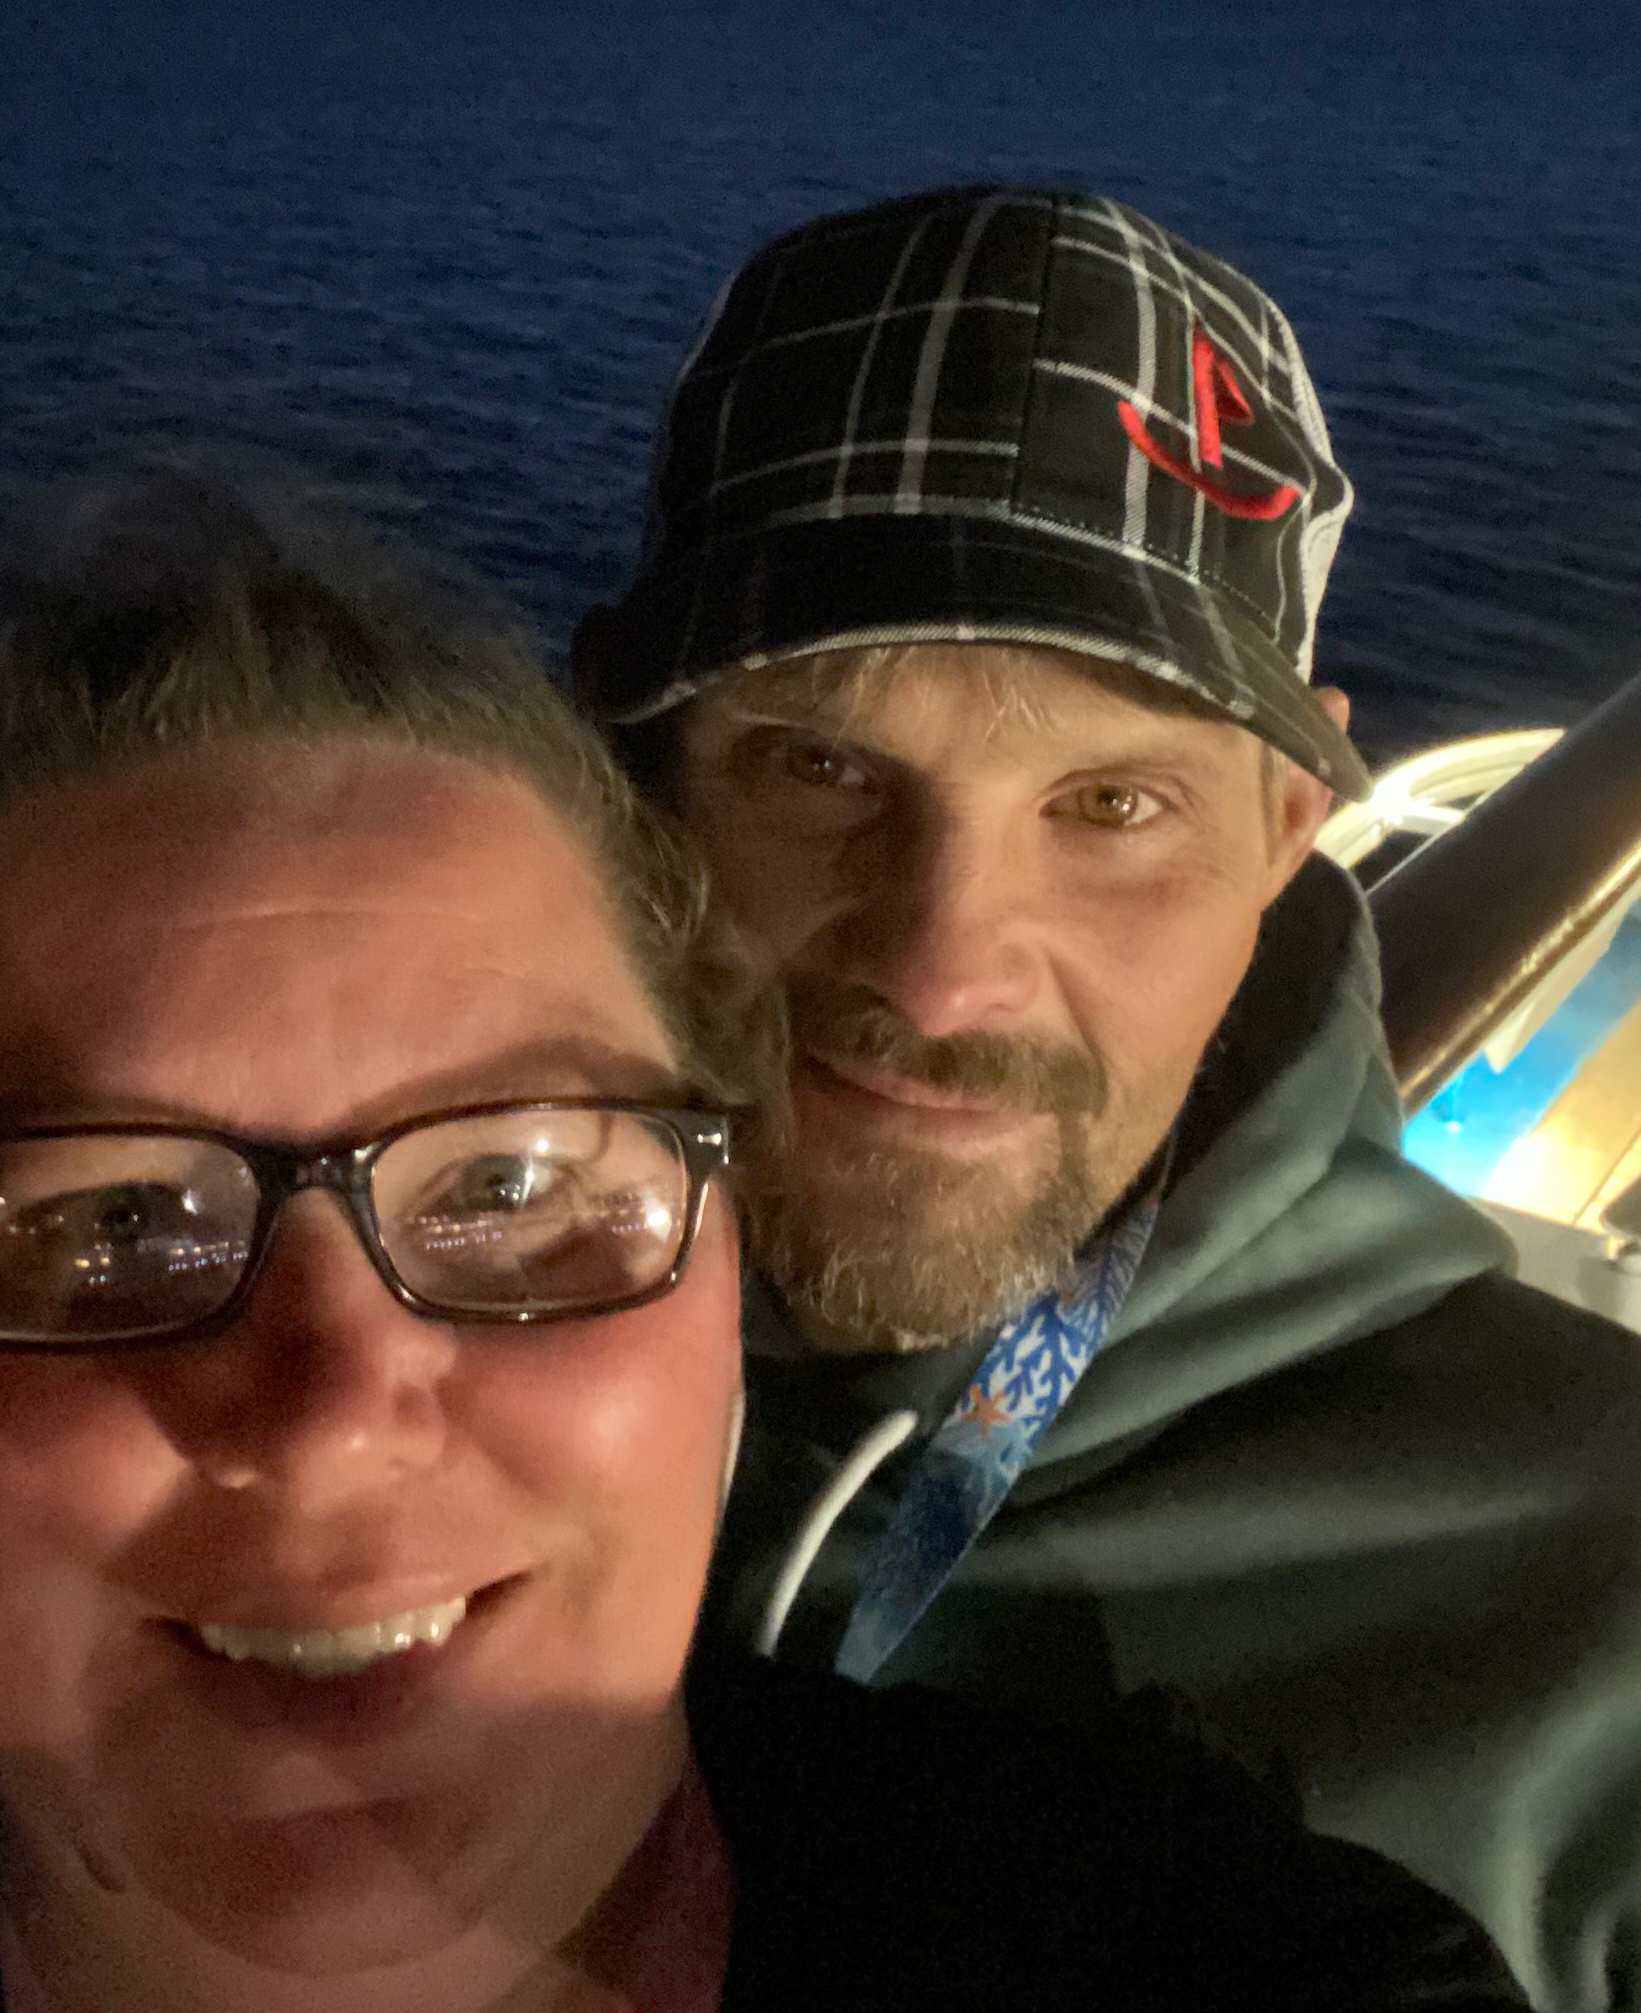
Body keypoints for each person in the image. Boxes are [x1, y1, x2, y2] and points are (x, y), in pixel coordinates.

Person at [0, 471, 1524, 2011]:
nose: (331, 1409)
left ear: (728, 1273)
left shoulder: (1197, 1953)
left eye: (510, 1186)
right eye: (115, 1217)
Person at [572, 184, 1641, 2013]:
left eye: (1115, 806)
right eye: (821, 767)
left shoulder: (1601, 1601)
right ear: (630, 781)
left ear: (1287, 833)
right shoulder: (371, 1363)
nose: (941, 970)